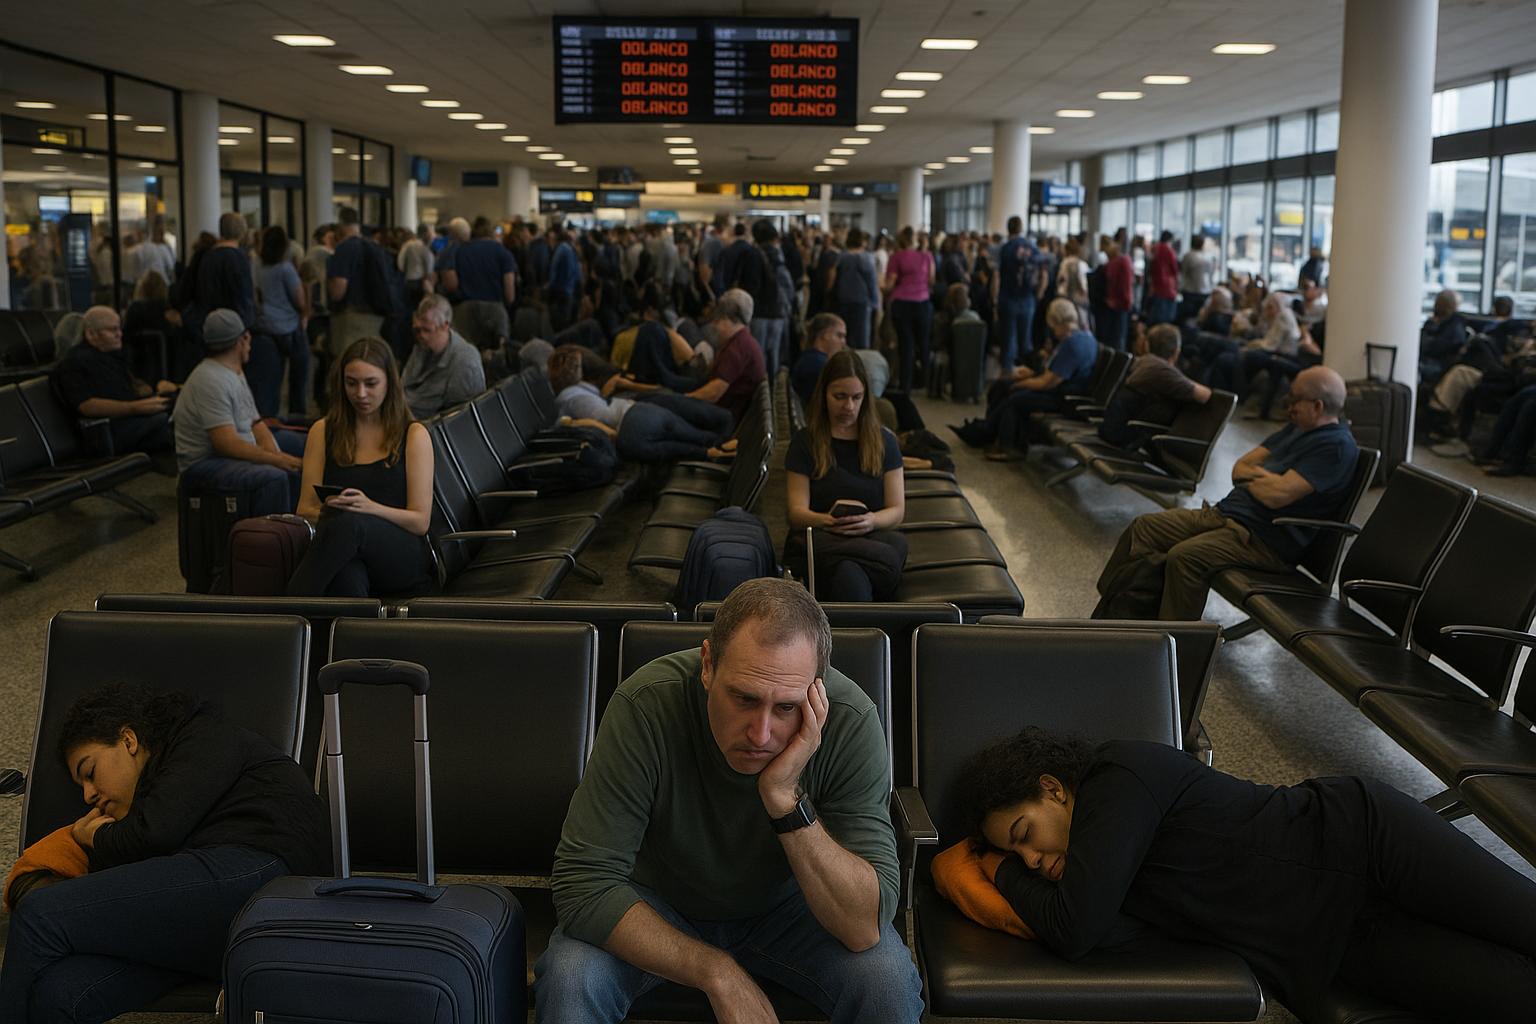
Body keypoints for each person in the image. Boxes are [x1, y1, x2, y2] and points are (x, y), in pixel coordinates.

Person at [534, 578, 924, 1024]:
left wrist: (784, 799)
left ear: (816, 691)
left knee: (886, 981)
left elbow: (863, 926)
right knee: (570, 977)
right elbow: (583, 884)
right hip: (660, 904)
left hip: (792, 911)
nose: (760, 735)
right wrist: (716, 971)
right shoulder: (646, 705)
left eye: (786, 708)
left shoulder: (850, 720)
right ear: (707, 666)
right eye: (744, 698)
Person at [955, 726, 1536, 1023]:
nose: (1031, 860)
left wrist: (996, 869)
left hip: (1366, 842)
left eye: (1025, 835)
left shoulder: (1119, 775)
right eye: (1018, 854)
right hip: (1341, 942)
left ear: (1054, 789)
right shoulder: (1099, 875)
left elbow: (1074, 927)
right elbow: (1095, 934)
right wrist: (1007, 864)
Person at [0, 681, 329, 1021]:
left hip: (267, 880)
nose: (88, 795)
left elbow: (155, 832)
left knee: (40, 914)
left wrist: (95, 838)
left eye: (90, 772)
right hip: (208, 927)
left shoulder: (203, 737)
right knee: (59, 993)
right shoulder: (147, 798)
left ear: (128, 740)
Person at [1096, 365, 1358, 620]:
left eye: (1295, 399)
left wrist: (1259, 478)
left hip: (1262, 540)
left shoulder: (1336, 447)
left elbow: (1277, 496)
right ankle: (1111, 610)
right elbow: (1239, 468)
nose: (1288, 406)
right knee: (1144, 528)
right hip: (1224, 516)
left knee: (1186, 557)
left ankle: (1176, 649)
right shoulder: (1296, 428)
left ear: (1318, 406)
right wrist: (1269, 479)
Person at [287, 337, 434, 597]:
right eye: (351, 383)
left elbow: (420, 521)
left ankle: (284, 613)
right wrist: (334, 508)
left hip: (401, 553)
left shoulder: (413, 435)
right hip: (342, 548)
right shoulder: (323, 431)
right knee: (347, 573)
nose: (361, 394)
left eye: (371, 383)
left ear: (389, 381)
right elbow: (305, 509)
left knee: (351, 524)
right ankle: (345, 636)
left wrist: (369, 509)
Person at [784, 350, 907, 601]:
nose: (848, 406)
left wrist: (870, 521)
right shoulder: (805, 442)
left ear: (865, 398)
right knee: (853, 571)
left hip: (868, 534)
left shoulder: (884, 441)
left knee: (855, 567)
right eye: (839, 396)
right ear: (824, 395)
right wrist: (830, 521)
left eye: (856, 397)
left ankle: (857, 636)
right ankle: (870, 634)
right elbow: (797, 513)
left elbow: (897, 510)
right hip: (824, 534)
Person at [174, 308, 307, 515]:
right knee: (275, 476)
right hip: (205, 465)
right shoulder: (211, 379)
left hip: (230, 455)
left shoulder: (233, 371)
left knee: (304, 444)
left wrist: (277, 453)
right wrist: (278, 460)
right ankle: (272, 539)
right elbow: (226, 444)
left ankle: (299, 525)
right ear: (244, 338)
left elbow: (255, 422)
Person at [951, 299, 1100, 460]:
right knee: (1005, 387)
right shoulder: (1084, 337)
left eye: (1052, 326)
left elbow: (1046, 383)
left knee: (1015, 397)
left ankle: (1006, 444)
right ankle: (991, 432)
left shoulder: (1072, 344)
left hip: (1066, 399)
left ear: (1057, 322)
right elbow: (1053, 373)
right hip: (1067, 393)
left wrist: (1018, 384)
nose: (1051, 331)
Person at [548, 347, 732, 464]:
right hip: (644, 410)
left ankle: (708, 454)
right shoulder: (582, 391)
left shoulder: (570, 399)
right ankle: (725, 446)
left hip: (631, 425)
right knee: (696, 435)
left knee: (669, 448)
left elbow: (602, 421)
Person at [51, 305, 178, 463]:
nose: (119, 334)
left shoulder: (110, 357)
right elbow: (86, 405)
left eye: (119, 329)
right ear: (91, 334)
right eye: (112, 330)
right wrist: (134, 408)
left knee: (178, 409)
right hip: (110, 429)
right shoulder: (73, 363)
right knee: (173, 422)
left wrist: (153, 392)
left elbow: (132, 388)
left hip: (131, 419)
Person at [1098, 324, 1212, 449]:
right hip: (1121, 437)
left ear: (1147, 345)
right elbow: (1205, 395)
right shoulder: (1162, 370)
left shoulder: (1144, 361)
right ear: (1176, 352)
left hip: (1110, 428)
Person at [251, 225, 310, 418]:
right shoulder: (286, 268)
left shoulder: (257, 266)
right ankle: (297, 415)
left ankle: (270, 419)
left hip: (264, 327)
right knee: (298, 376)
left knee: (270, 381)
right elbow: (299, 299)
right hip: (289, 327)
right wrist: (304, 312)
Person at [400, 294, 486, 421]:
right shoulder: (423, 346)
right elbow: (404, 383)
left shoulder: (465, 362)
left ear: (445, 326)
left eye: (427, 330)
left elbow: (462, 417)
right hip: (404, 412)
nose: (421, 335)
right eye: (418, 330)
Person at [687, 289, 765, 428]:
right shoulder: (741, 341)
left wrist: (685, 399)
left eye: (719, 320)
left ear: (729, 320)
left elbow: (714, 393)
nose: (715, 326)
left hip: (724, 417)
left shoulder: (739, 347)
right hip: (727, 411)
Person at [327, 207, 397, 358]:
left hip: (351, 319)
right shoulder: (375, 247)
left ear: (341, 225)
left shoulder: (344, 249)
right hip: (376, 318)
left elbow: (338, 291)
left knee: (348, 365)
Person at [439, 216, 516, 351]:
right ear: (491, 233)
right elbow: (509, 294)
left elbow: (452, 284)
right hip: (495, 309)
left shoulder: (459, 251)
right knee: (498, 356)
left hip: (465, 311)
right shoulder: (503, 253)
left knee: (465, 355)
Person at [736, 220, 791, 379]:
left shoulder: (752, 254)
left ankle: (761, 390)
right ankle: (773, 390)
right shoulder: (779, 256)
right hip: (778, 312)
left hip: (759, 313)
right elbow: (788, 286)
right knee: (774, 354)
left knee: (758, 355)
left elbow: (751, 285)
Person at [885, 226, 936, 393]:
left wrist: (882, 288)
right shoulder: (927, 256)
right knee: (924, 344)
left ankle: (905, 385)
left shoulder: (896, 257)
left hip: (901, 304)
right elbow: (931, 280)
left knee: (906, 346)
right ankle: (928, 384)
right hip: (922, 302)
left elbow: (890, 284)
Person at [193, 213, 256, 341]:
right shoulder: (239, 258)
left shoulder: (208, 257)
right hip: (234, 325)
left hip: (211, 323)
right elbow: (242, 296)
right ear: (241, 231)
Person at [993, 216, 1039, 373]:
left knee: (1008, 342)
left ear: (1008, 228)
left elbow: (997, 276)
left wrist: (994, 298)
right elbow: (1043, 274)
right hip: (1027, 299)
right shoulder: (1032, 247)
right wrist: (1037, 294)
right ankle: (1028, 375)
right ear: (1021, 228)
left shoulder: (1004, 249)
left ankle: (1007, 380)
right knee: (1026, 342)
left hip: (1008, 298)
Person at [832, 228, 880, 351]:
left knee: (845, 337)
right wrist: (876, 303)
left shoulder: (841, 257)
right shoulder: (866, 258)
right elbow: (871, 282)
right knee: (861, 340)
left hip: (843, 300)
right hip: (861, 302)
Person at [792, 312, 849, 408]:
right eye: (839, 335)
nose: (843, 342)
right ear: (825, 335)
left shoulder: (810, 358)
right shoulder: (818, 365)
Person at [1420, 288, 1469, 386]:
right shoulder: (1455, 325)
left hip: (1438, 366)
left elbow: (1429, 347)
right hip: (1438, 365)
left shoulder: (1451, 326)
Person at [1098, 241, 1135, 351]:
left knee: (1113, 339)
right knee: (1119, 338)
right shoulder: (1124, 262)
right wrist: (1128, 303)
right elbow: (1125, 286)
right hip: (1121, 305)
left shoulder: (1111, 265)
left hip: (1112, 305)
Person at [397, 223, 436, 309]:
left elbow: (400, 263)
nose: (434, 235)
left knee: (408, 307)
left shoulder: (407, 245)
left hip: (408, 280)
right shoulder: (425, 247)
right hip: (422, 281)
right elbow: (429, 266)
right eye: (432, 232)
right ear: (426, 233)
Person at [1145, 231, 1180, 325]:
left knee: (1154, 316)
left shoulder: (1154, 248)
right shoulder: (1169, 250)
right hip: (1167, 287)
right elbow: (1174, 269)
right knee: (1164, 319)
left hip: (1155, 286)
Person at [1178, 234, 1213, 322]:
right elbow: (1210, 275)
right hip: (1204, 290)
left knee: (1188, 317)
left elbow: (1183, 272)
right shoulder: (1207, 257)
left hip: (1190, 290)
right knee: (1199, 317)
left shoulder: (1188, 256)